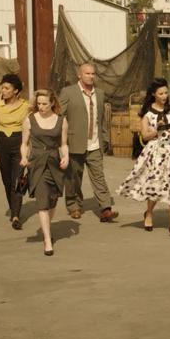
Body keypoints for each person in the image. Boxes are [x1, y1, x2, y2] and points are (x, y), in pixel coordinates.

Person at [117, 79, 170, 240]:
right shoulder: (147, 114)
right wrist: (157, 129)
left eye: (166, 92)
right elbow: (144, 136)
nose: (164, 96)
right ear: (153, 94)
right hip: (155, 153)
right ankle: (149, 213)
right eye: (161, 93)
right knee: (155, 186)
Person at [59, 62, 118, 222]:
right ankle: (74, 206)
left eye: (93, 74)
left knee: (99, 177)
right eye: (87, 73)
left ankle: (105, 208)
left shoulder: (99, 93)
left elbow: (102, 119)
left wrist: (105, 139)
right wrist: (61, 141)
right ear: (79, 75)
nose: (91, 76)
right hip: (74, 143)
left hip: (95, 143)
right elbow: (60, 117)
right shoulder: (68, 92)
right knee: (73, 178)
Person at [20, 89, 69, 256]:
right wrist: (24, 157)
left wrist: (66, 157)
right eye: (38, 104)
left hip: (55, 162)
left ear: (52, 103)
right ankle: (47, 240)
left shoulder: (61, 121)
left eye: (44, 104)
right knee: (42, 202)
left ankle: (46, 226)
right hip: (37, 163)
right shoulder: (29, 120)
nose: (41, 107)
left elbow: (63, 143)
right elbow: (25, 143)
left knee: (53, 200)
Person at [0, 73, 29, 230]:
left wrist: (28, 152)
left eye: (7, 88)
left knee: (17, 181)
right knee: (7, 181)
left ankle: (16, 215)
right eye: (2, 87)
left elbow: (29, 130)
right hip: (2, 145)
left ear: (16, 90)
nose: (3, 90)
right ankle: (14, 209)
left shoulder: (25, 106)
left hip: (19, 145)